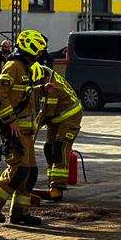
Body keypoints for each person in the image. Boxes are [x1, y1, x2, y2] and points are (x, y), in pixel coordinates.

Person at [0, 29, 48, 226]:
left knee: (30, 173)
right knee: (19, 170)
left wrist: (42, 89)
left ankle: (20, 213)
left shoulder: (25, 68)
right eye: (37, 51)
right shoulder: (13, 66)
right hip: (13, 129)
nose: (39, 55)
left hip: (26, 130)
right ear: (29, 49)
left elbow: (21, 94)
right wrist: (10, 121)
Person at [36, 67, 82, 202]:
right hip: (57, 117)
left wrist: (34, 125)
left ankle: (58, 187)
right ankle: (52, 181)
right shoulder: (44, 75)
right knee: (48, 147)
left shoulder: (52, 87)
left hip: (70, 116)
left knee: (59, 148)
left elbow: (47, 113)